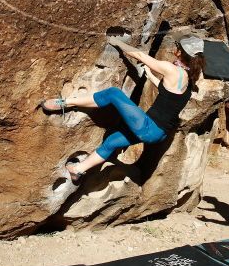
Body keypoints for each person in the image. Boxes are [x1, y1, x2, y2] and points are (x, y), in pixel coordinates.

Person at [41, 35, 206, 184]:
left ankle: (64, 103)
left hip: (148, 127)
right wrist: (150, 75)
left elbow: (141, 55)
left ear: (180, 52)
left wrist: (117, 42)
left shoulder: (172, 70)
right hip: (158, 134)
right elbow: (170, 95)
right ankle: (77, 170)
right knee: (112, 141)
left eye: (177, 46)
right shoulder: (189, 78)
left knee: (113, 93)